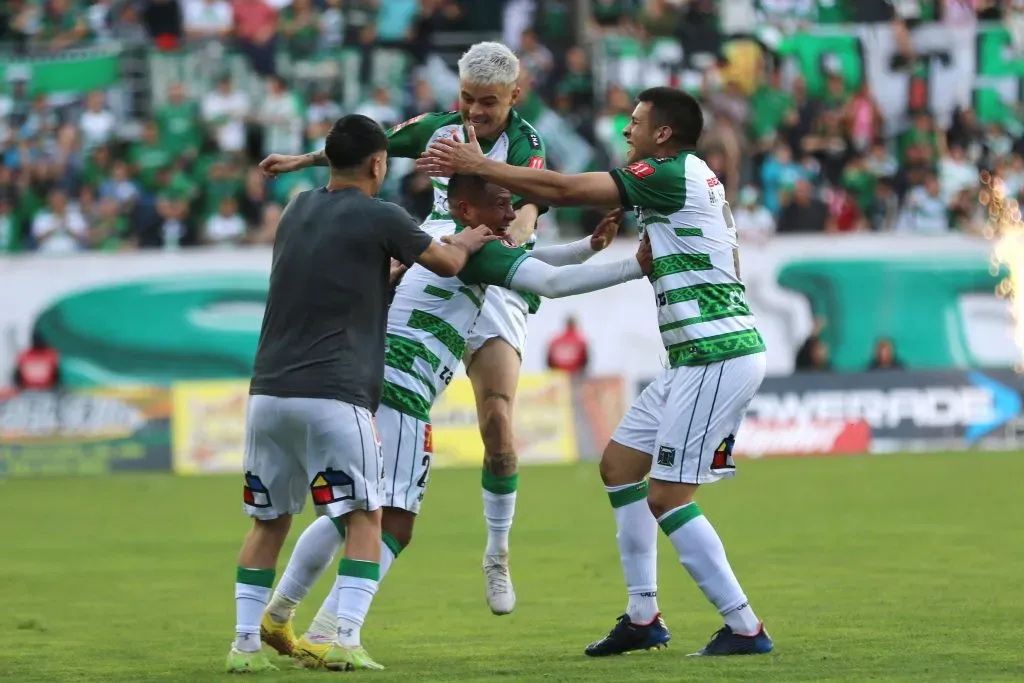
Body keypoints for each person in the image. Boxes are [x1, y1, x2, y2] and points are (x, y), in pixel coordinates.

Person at [418, 86, 775, 657]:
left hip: (716, 351)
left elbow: (563, 189)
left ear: (662, 133)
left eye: (635, 122)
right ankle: (642, 615)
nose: (625, 129)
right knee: (619, 466)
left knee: (668, 496)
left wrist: (480, 165)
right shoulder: (689, 175)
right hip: (692, 355)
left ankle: (744, 627)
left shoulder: (668, 170)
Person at [259, 174, 652, 668]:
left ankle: (280, 612)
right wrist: (634, 268)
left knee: (350, 509)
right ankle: (329, 634)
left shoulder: (439, 237)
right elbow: (547, 283)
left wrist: (584, 248)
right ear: (469, 210)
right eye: (503, 204)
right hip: (403, 394)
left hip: (361, 383)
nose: (512, 215)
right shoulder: (477, 247)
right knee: (394, 524)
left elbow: (529, 262)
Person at [260, 41, 548, 615]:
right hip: (434, 259)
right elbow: (365, 149)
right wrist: (301, 161)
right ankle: (304, 605)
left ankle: (496, 551)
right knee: (381, 427)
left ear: (513, 95)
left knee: (497, 419)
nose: (475, 112)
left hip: (493, 266)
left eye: (487, 102)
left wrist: (516, 234)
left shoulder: (526, 143)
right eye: (466, 98)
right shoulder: (441, 129)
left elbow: (530, 202)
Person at [226, 114, 496, 674]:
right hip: (336, 391)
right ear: (378, 163)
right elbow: (446, 263)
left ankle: (244, 647)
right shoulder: (382, 216)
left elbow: (333, 275)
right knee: (366, 515)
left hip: (268, 390)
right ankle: (345, 636)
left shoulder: (296, 208)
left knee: (268, 522)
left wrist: (385, 273)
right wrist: (468, 238)